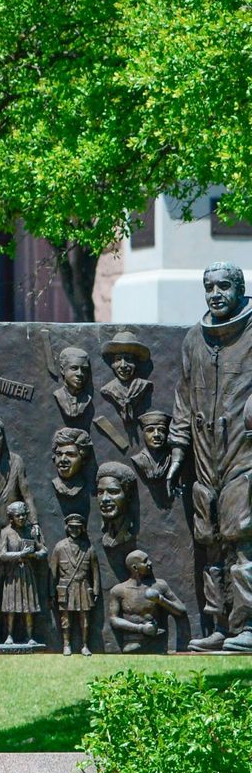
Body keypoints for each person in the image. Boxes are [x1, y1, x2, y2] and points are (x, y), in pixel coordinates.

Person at [170, 264, 252, 648]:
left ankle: (248, 626)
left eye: (223, 286)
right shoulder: (193, 340)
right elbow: (183, 401)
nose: (215, 293)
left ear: (239, 288)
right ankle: (219, 626)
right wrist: (177, 451)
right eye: (209, 287)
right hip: (205, 457)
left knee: (243, 538)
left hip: (243, 452)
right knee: (211, 543)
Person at [106, 550, 186, 653]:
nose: (150, 563)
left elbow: (181, 610)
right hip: (131, 643)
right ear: (135, 567)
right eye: (145, 561)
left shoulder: (160, 585)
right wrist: (141, 628)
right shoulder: (118, 590)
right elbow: (113, 619)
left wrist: (161, 600)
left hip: (157, 643)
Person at [0, 501, 44, 646]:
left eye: (24, 515)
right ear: (11, 517)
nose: (22, 518)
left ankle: (30, 636)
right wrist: (19, 554)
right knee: (11, 606)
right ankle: (9, 635)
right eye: (18, 516)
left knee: (28, 606)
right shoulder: (5, 532)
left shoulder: (32, 530)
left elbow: (43, 550)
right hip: (12, 574)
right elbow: (2, 554)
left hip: (27, 572)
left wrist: (34, 554)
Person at [51, 512, 97, 656]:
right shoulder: (60, 547)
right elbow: (52, 572)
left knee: (85, 619)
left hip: (83, 586)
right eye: (71, 527)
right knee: (65, 618)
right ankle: (66, 645)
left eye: (77, 527)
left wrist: (95, 591)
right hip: (66, 588)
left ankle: (84, 645)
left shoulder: (89, 548)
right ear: (67, 528)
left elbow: (95, 572)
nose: (74, 530)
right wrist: (51, 592)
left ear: (82, 528)